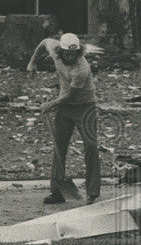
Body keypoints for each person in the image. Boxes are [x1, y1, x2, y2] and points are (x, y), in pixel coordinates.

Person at [31, 33, 101, 206]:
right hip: (64, 108)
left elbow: (71, 95)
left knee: (90, 146)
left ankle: (92, 192)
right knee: (59, 146)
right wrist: (32, 62)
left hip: (85, 106)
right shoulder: (54, 50)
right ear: (60, 51)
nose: (70, 57)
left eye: (74, 53)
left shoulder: (81, 69)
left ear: (78, 52)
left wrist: (51, 104)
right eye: (67, 54)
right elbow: (43, 41)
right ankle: (56, 191)